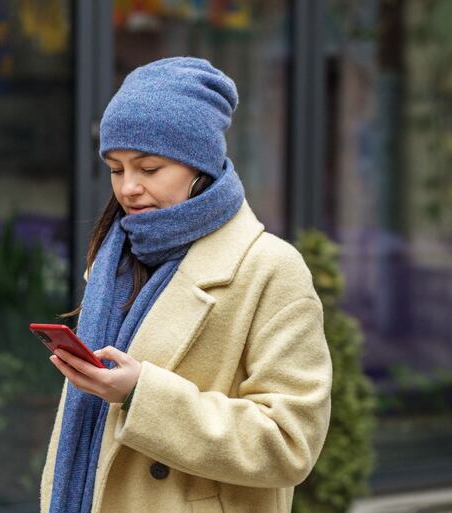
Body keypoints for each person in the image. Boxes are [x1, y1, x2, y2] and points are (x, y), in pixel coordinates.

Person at [40, 56, 332, 513]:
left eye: (148, 168)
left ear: (200, 166)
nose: (128, 188)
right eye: (116, 169)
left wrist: (141, 394)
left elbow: (289, 443)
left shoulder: (270, 267)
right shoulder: (114, 257)